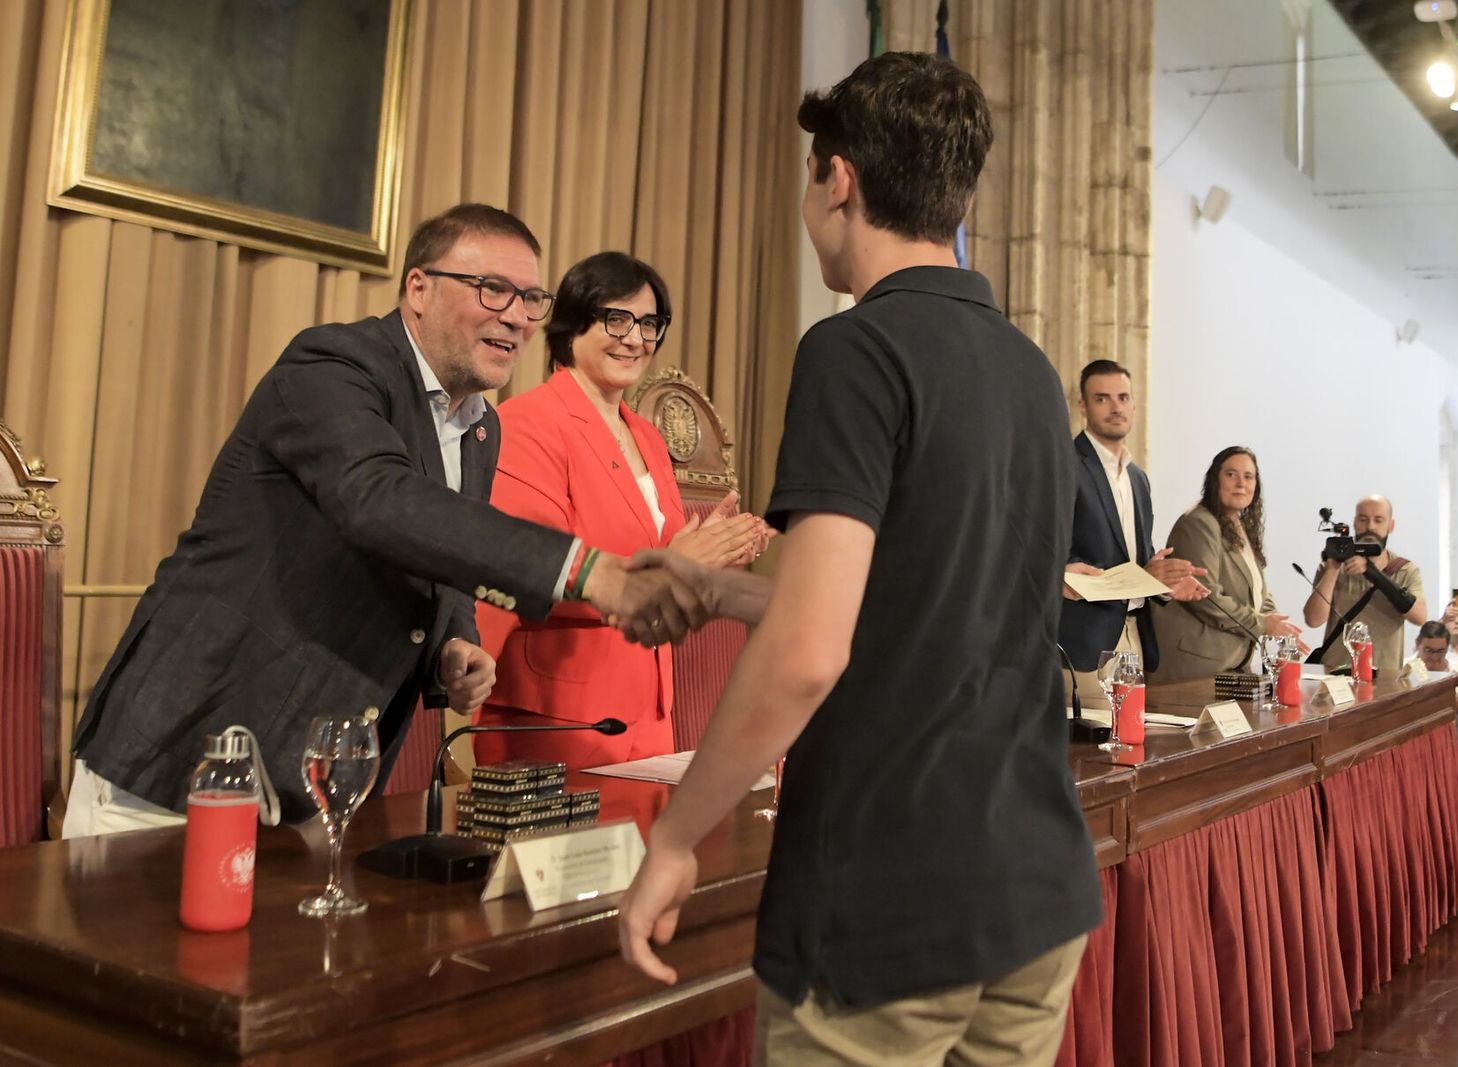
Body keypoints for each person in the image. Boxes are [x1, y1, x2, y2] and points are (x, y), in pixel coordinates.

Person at [616, 52, 1102, 1065]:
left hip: (894, 892)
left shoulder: (854, 349)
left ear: (837, 179)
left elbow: (808, 650)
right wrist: (718, 588)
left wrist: (674, 839)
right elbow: (923, 601)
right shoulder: (1028, 369)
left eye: (810, 178)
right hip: (1034, 883)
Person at [65, 204, 709, 836]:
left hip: (316, 781)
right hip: (194, 742)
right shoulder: (334, 365)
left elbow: (443, 556)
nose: (516, 317)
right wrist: (587, 569)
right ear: (418, 287)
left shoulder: (479, 427)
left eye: (530, 299)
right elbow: (377, 500)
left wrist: (456, 641)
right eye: (493, 290)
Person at [473, 252, 767, 770]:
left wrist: (720, 547)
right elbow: (526, 567)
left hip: (650, 713)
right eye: (617, 319)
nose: (636, 338)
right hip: (562, 718)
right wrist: (671, 559)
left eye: (649, 324)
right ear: (572, 324)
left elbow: (672, 566)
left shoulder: (649, 438)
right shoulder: (527, 422)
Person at [1058, 359, 1207, 697]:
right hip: (1083, 642)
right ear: (1082, 406)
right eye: (1102, 398)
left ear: (1134, 405)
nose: (1115, 407)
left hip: (1134, 637)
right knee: (1093, 747)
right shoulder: (1065, 464)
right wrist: (1060, 573)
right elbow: (1047, 549)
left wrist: (1164, 585)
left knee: (1129, 744)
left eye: (1123, 397)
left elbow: (1138, 561)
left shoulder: (1138, 478)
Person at [1149, 446, 1301, 683]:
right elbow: (1206, 597)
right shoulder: (1199, 523)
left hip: (1232, 665)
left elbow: (1258, 592)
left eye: (1248, 477)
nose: (1241, 483)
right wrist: (1262, 624)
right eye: (1231, 474)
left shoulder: (1239, 526)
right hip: (1196, 667)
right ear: (1214, 480)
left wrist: (1276, 620)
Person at [1303, 494, 1429, 676]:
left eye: (1379, 520)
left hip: (1384, 676)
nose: (1371, 527)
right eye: (1364, 520)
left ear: (1391, 526)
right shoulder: (1334, 566)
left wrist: (1372, 573)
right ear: (1354, 523)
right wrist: (1332, 570)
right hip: (1337, 676)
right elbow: (1313, 619)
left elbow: (1420, 617)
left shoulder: (1405, 570)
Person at [1405, 620, 1458, 735]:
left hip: (1453, 739)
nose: (1435, 657)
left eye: (1440, 651)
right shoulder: (1405, 670)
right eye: (1428, 651)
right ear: (1417, 645)